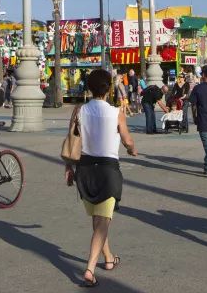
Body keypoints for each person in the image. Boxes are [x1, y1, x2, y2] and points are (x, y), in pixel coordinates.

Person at [65, 69, 137, 287]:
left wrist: (68, 167)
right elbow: (127, 140)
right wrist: (132, 148)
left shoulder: (78, 110)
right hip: (108, 170)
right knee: (103, 222)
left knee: (98, 220)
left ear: (89, 87)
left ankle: (108, 258)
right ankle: (89, 268)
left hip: (85, 170)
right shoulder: (116, 113)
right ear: (109, 89)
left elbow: (71, 140)